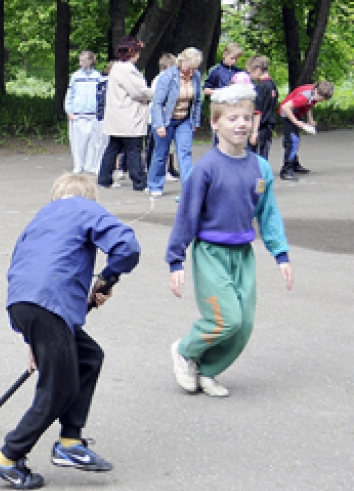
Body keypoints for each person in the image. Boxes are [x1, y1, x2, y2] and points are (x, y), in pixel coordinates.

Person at [0, 173, 140, 490]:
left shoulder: (39, 220)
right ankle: (8, 457)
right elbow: (127, 246)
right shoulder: (85, 208)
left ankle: (70, 441)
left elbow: (24, 269)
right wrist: (107, 279)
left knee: (89, 357)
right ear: (88, 196)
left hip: (24, 303)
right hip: (49, 305)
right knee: (58, 388)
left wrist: (32, 340)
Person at [166, 88, 293, 398]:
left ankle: (207, 370)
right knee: (226, 319)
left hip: (243, 254)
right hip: (211, 253)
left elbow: (268, 213)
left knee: (244, 324)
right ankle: (184, 350)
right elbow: (187, 216)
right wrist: (175, 260)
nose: (241, 124)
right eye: (232, 118)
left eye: (247, 118)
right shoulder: (206, 169)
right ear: (216, 124)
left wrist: (281, 253)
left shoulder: (259, 168)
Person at [97, 36, 153, 191]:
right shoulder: (128, 69)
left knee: (113, 148)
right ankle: (139, 181)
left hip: (116, 116)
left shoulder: (116, 68)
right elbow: (138, 92)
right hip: (128, 117)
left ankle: (104, 179)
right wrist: (154, 93)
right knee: (133, 149)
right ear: (132, 52)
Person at [147, 48, 204, 197]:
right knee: (161, 153)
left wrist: (195, 121)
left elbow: (197, 101)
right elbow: (157, 103)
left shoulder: (196, 76)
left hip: (184, 119)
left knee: (184, 153)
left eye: (194, 68)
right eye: (189, 67)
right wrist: (159, 125)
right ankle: (155, 185)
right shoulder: (167, 77)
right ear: (182, 61)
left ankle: (189, 188)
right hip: (166, 119)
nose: (191, 71)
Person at [279, 80, 333, 181]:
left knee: (294, 140)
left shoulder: (314, 92)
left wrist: (310, 119)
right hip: (287, 114)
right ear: (318, 92)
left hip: (295, 113)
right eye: (322, 99)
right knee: (293, 141)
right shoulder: (303, 97)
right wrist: (296, 122)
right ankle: (286, 170)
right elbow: (285, 107)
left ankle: (294, 164)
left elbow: (309, 105)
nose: (322, 101)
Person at [64, 50, 104, 174]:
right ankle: (78, 165)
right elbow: (70, 94)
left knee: (95, 142)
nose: (81, 63)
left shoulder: (98, 76)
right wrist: (69, 111)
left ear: (91, 61)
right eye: (80, 60)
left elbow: (101, 95)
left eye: (84, 60)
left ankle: (93, 165)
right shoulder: (76, 76)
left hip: (94, 114)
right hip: (78, 114)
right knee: (78, 143)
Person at [246, 55, 278, 159]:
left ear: (258, 70)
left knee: (253, 156)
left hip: (260, 127)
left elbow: (257, 111)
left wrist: (254, 132)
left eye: (250, 72)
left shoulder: (260, 87)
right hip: (269, 127)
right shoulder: (272, 85)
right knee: (264, 155)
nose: (250, 76)